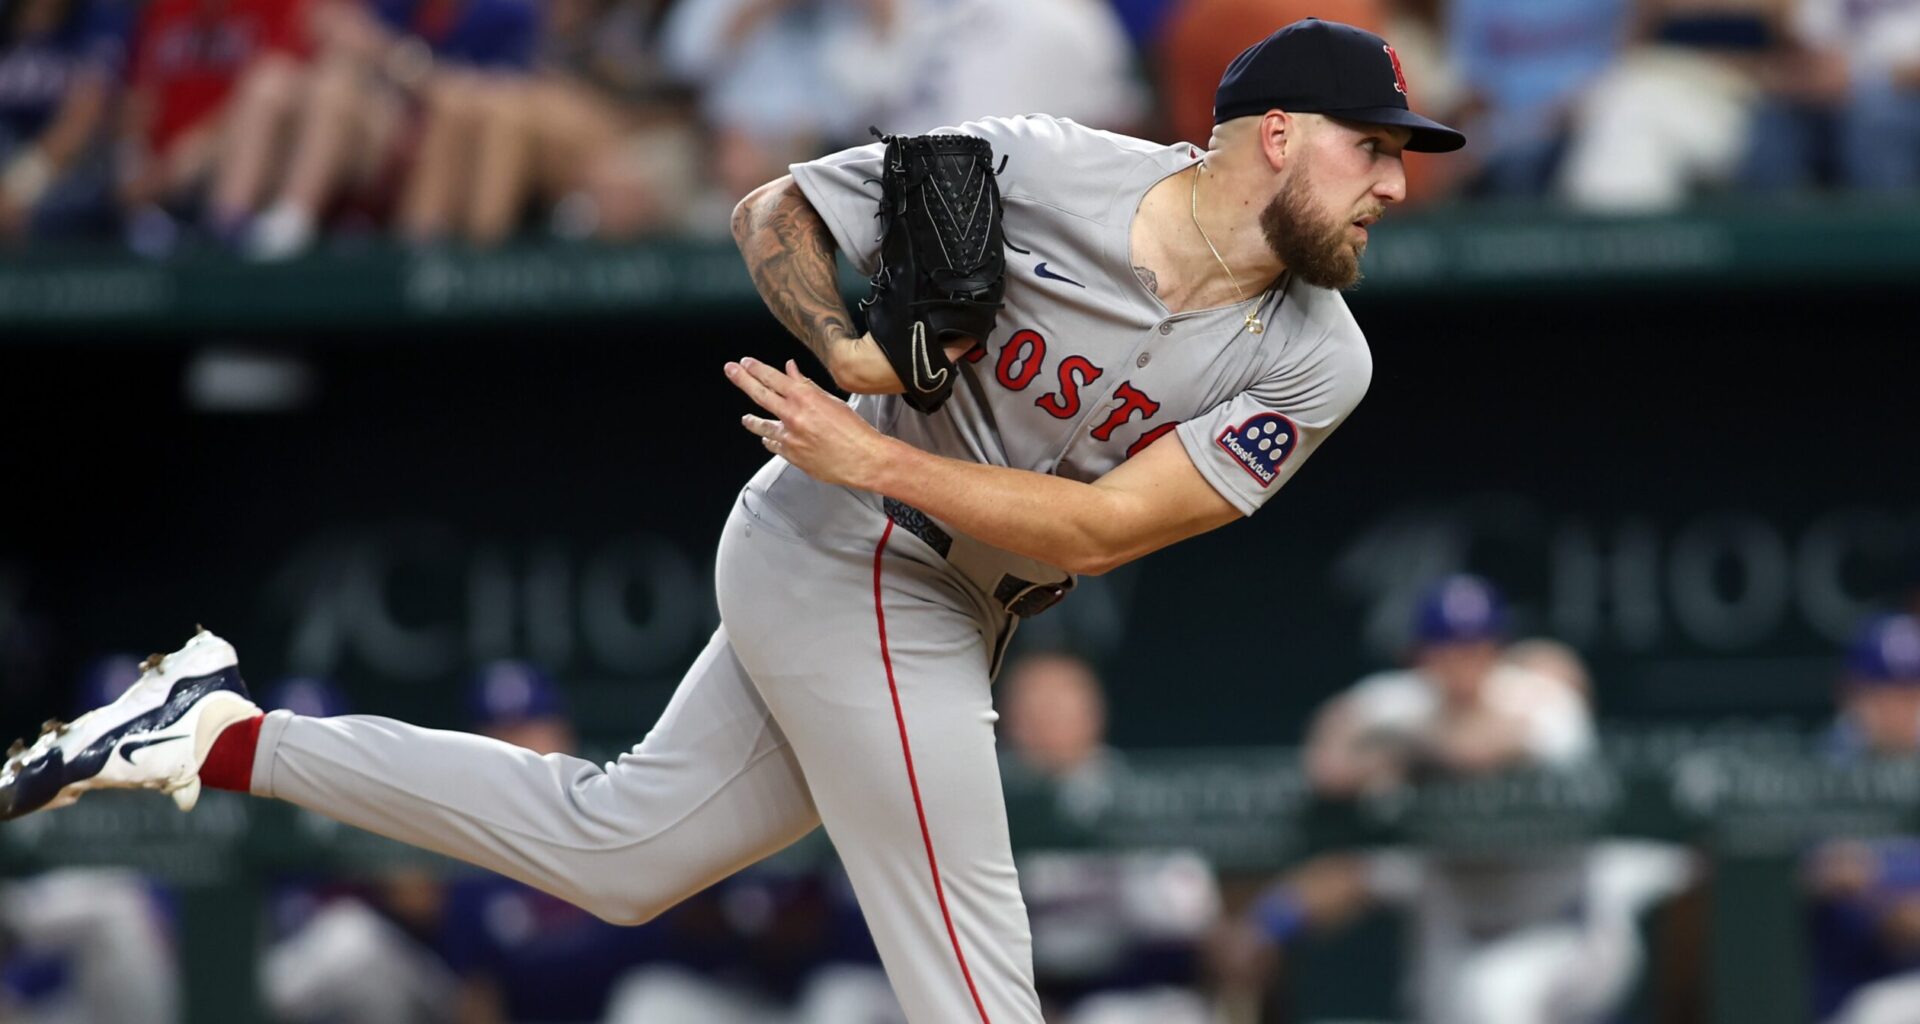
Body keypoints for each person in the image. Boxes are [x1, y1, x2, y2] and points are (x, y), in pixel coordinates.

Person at [0, 18, 1464, 1022]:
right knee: (973, 979)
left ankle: (210, 734)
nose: (1396, 180)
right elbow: (776, 212)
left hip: (927, 545)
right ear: (1276, 134)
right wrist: (842, 347)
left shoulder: (1317, 353)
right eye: (1373, 146)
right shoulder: (1045, 166)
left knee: (621, 853)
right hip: (844, 548)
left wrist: (875, 449)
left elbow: (1104, 531)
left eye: (1406, 156)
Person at [1222, 574, 1684, 1024]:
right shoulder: (1404, 702)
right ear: (1420, 654)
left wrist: (1402, 750)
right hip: (1455, 924)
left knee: (1495, 998)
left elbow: (1478, 749)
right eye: (1447, 646)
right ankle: (1264, 926)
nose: (1463, 662)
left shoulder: (1538, 697)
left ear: (1497, 649)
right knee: (1389, 871)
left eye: (1476, 646)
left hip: (1561, 930)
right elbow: (1329, 759)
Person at [1805, 614, 1920, 1024]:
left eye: (1912, 690)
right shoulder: (1823, 773)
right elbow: (1825, 875)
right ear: (1852, 692)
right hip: (1847, 996)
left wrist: (1876, 875)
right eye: (1885, 689)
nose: (1902, 708)